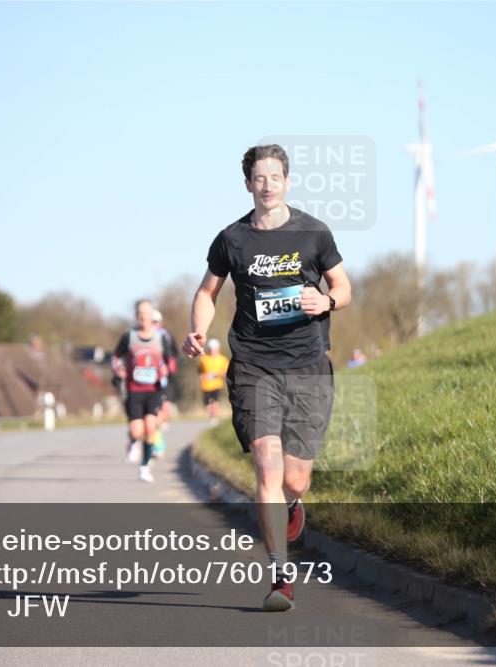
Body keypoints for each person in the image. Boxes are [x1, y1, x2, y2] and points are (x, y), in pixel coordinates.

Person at [182, 144, 352, 612]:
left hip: (309, 366)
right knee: (266, 467)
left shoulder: (314, 233)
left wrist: (328, 302)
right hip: (254, 365)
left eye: (276, 176)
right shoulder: (232, 239)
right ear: (248, 184)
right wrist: (198, 328)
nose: (268, 184)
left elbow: (343, 286)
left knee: (295, 481)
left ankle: (293, 505)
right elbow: (207, 291)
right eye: (260, 177)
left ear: (287, 181)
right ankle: (281, 576)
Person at [112, 299, 174, 482]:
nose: (143, 317)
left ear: (152, 315)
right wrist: (119, 370)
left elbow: (170, 361)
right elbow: (116, 357)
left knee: (150, 427)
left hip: (154, 390)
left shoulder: (160, 337)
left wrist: (166, 370)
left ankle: (145, 467)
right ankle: (132, 441)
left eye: (146, 313)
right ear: (136, 316)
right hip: (134, 390)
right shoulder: (128, 337)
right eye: (140, 313)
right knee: (137, 431)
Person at [150, 309, 179, 459]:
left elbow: (174, 353)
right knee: (153, 412)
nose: (153, 325)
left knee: (165, 409)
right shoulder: (143, 336)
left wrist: (170, 367)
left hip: (165, 377)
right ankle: (157, 439)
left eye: (155, 322)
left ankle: (160, 426)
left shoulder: (165, 335)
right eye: (151, 322)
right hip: (150, 379)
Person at [197, 339, 229, 423]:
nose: (212, 351)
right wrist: (201, 377)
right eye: (211, 349)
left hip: (217, 384)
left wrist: (217, 374)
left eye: (214, 349)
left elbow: (226, 372)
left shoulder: (223, 359)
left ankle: (214, 416)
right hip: (206, 385)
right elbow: (199, 370)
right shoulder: (204, 358)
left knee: (215, 401)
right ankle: (211, 414)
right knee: (207, 404)